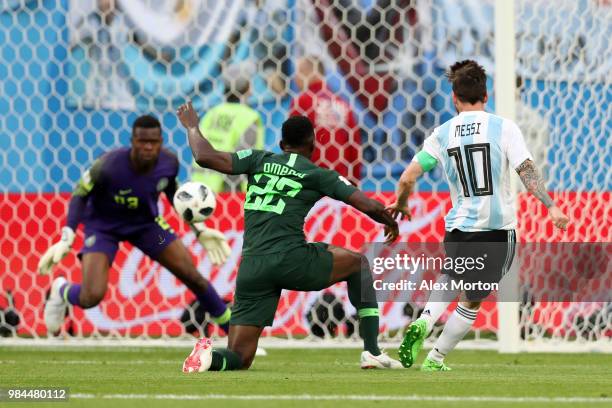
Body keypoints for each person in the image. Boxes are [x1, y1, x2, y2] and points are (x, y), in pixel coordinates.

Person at [177, 101, 401, 371]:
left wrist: (192, 126)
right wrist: (392, 222)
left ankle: (208, 358)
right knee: (359, 265)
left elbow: (204, 156)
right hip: (292, 260)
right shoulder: (318, 174)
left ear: (282, 144)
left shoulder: (257, 159)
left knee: (239, 356)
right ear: (313, 145)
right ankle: (372, 352)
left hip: (252, 266)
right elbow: (368, 205)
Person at [388, 60, 569, 371]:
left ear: (455, 99)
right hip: (497, 228)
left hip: (459, 227)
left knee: (452, 273)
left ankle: (426, 319)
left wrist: (402, 203)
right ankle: (435, 359)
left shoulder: (442, 133)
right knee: (472, 299)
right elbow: (525, 169)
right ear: (486, 96)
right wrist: (550, 205)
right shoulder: (504, 127)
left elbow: (407, 177)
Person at [38, 115, 232, 335]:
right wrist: (67, 236)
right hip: (103, 228)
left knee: (192, 275)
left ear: (161, 141)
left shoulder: (169, 163)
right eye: (142, 141)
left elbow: (173, 194)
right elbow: (79, 194)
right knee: (91, 296)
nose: (148, 146)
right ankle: (61, 290)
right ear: (132, 141)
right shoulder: (108, 165)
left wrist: (200, 229)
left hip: (147, 228)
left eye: (154, 142)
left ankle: (233, 333)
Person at [289, 56, 361, 185]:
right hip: (340, 186)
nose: (295, 78)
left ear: (309, 72)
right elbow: (354, 148)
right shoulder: (342, 104)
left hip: (311, 185)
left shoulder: (302, 101)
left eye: (298, 72)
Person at [192, 71, 264, 193]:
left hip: (201, 189)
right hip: (230, 191)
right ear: (247, 88)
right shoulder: (249, 117)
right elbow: (241, 160)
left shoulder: (212, 113)